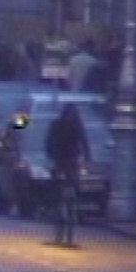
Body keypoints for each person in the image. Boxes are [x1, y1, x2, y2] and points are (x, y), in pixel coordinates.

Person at [45, 103, 91, 246]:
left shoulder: (74, 127)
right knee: (58, 189)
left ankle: (74, 209)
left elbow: (84, 143)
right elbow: (49, 143)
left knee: (72, 185)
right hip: (62, 161)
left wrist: (87, 158)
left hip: (69, 161)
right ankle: (58, 210)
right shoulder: (57, 125)